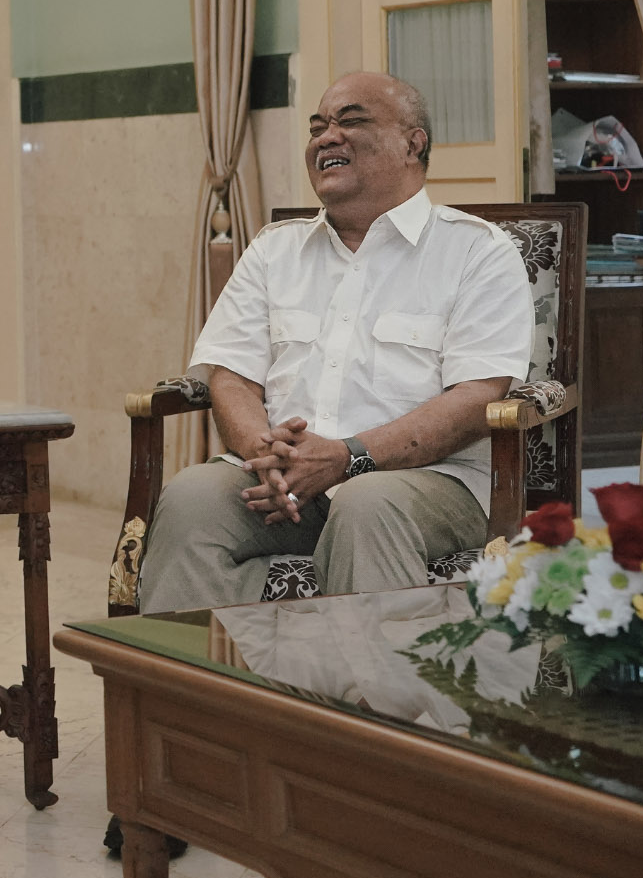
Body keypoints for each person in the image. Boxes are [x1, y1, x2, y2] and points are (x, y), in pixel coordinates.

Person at [135, 71, 534, 612]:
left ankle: (369, 671)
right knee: (192, 498)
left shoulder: (477, 252)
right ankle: (204, 666)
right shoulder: (274, 251)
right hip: (286, 483)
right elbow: (231, 374)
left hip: (425, 482)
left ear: (412, 143)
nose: (326, 138)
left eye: (351, 121)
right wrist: (263, 452)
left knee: (368, 504)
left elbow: (479, 394)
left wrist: (350, 457)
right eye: (317, 127)